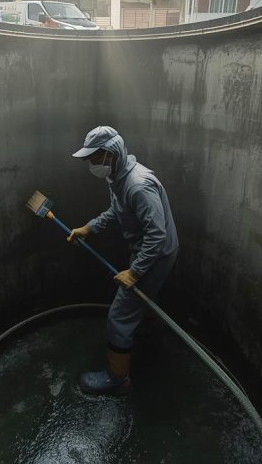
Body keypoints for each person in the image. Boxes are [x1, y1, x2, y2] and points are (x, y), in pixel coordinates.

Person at [67, 126, 179, 395]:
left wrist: (135, 271)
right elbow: (117, 211)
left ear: (110, 155)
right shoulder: (119, 177)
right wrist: (89, 227)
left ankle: (118, 379)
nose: (91, 165)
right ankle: (150, 332)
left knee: (118, 316)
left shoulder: (138, 185)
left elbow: (157, 234)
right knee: (142, 300)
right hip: (147, 251)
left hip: (155, 254)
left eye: (94, 159)